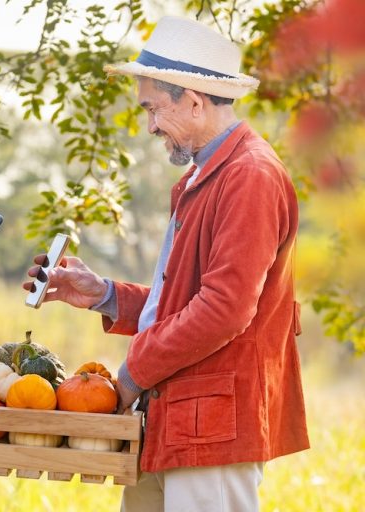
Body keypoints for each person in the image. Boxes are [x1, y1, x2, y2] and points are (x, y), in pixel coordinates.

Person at [23, 16, 309, 512]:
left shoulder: (250, 176)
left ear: (194, 102)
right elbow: (183, 300)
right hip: (176, 417)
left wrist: (134, 371)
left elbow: (224, 309)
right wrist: (104, 295)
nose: (150, 124)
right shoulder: (208, 175)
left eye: (153, 108)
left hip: (214, 427)